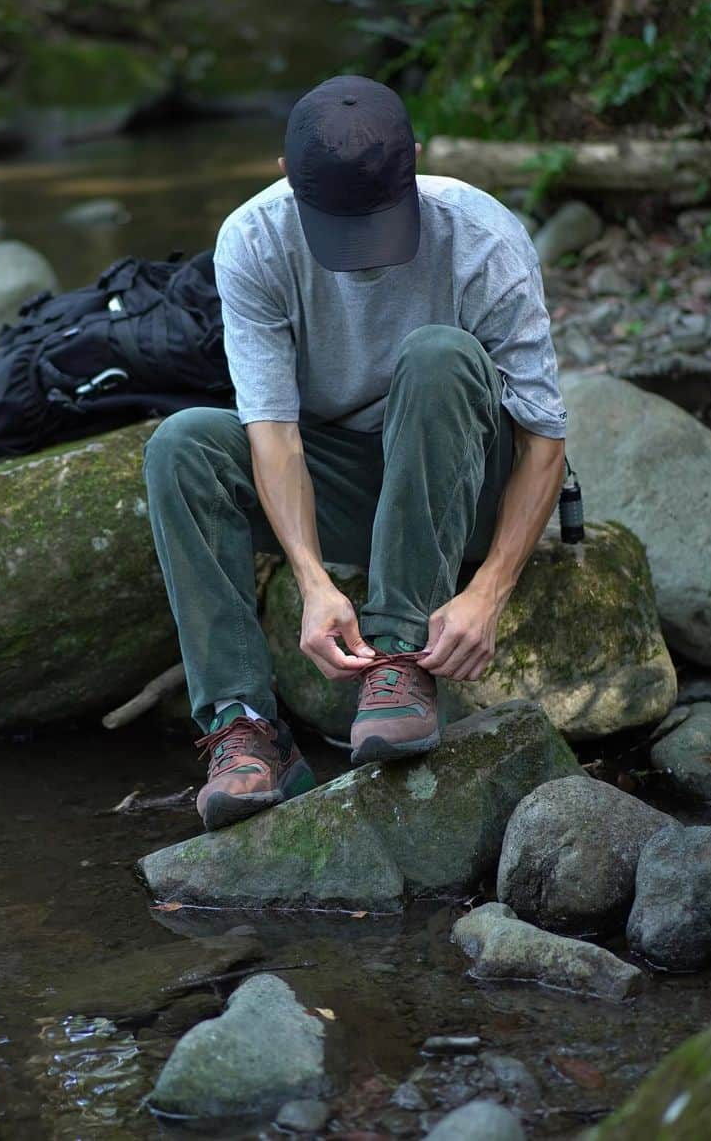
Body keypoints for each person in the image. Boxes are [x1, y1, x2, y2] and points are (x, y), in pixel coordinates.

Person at [142, 75, 567, 831]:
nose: (363, 259)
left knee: (438, 354)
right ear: (284, 174)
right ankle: (247, 728)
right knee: (181, 445)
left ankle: (400, 659)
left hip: (463, 479)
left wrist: (489, 591)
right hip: (346, 480)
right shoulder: (253, 239)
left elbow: (543, 438)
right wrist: (309, 580)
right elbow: (271, 430)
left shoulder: (483, 235)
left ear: (418, 162)